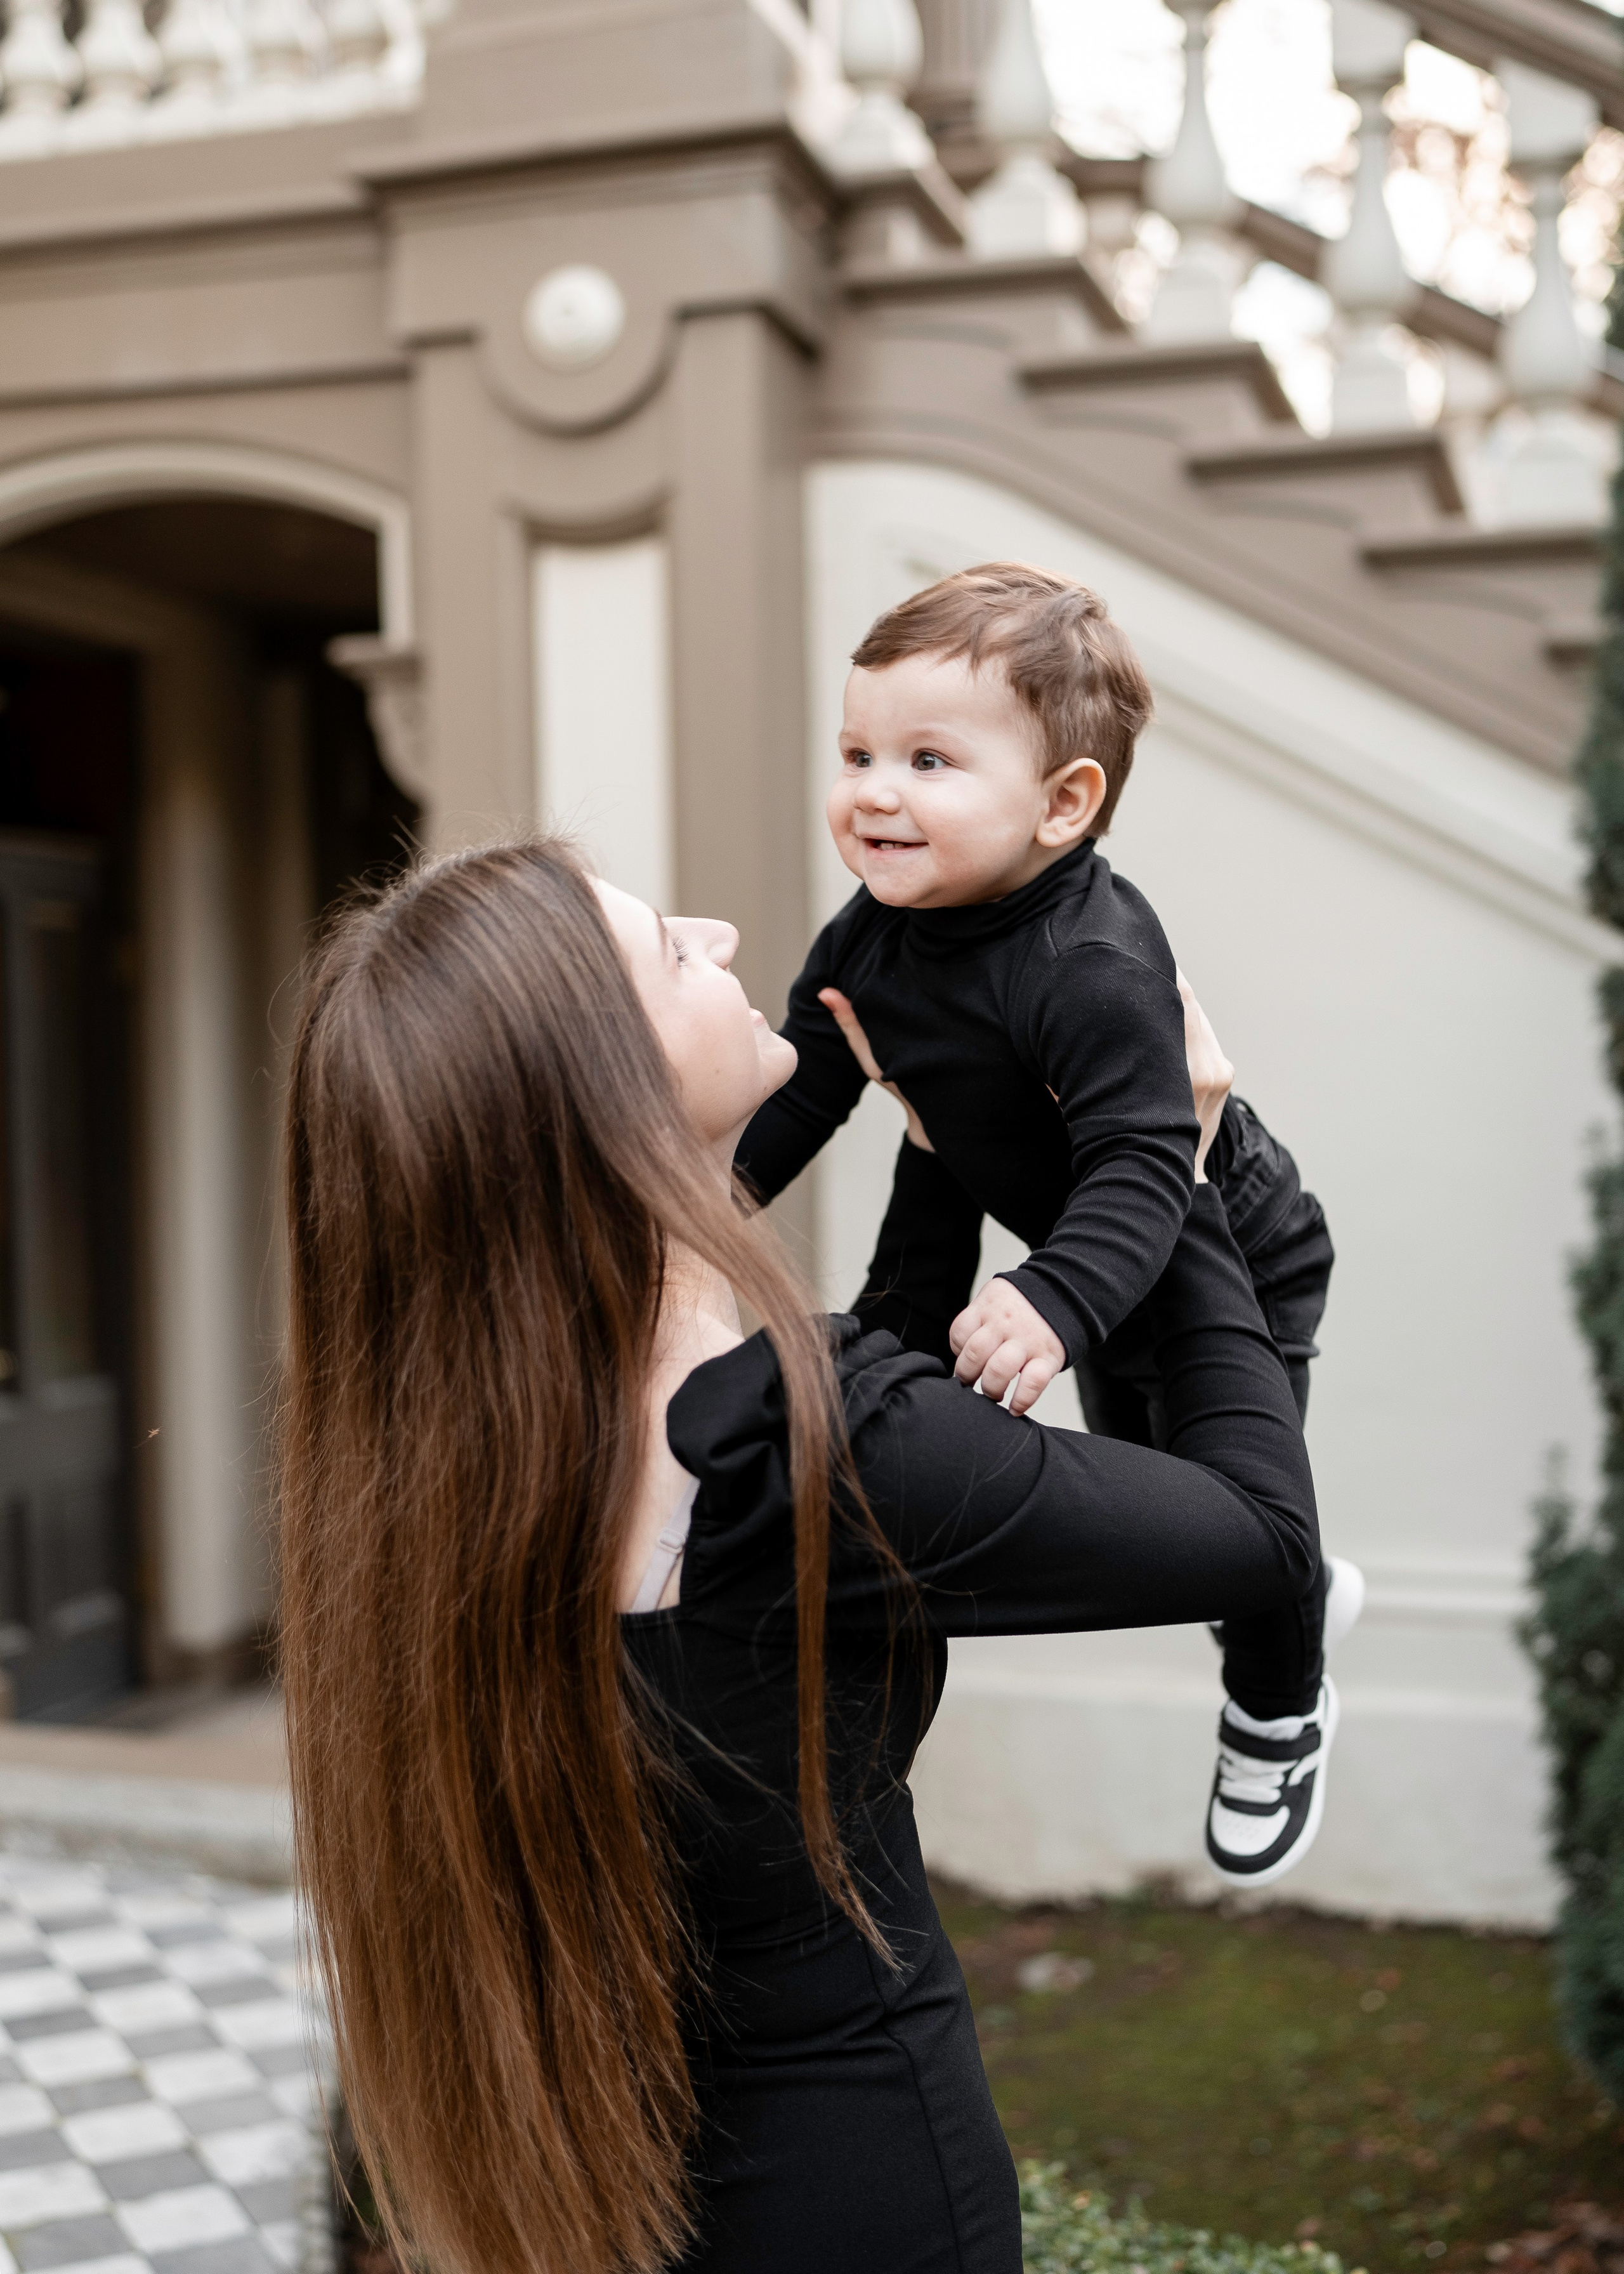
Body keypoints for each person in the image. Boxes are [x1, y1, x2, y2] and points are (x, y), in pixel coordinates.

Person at [280, 837, 1332, 2274]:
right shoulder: (806, 1456)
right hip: (862, 2193)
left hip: (619, 2192)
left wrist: (936, 1150)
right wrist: (1176, 1160)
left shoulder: (448, 1471)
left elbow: (855, 1392)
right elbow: (1259, 1537)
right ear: (609, 1096)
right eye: (666, 948)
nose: (715, 932)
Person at [735, 562, 1355, 1886]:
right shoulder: (867, 938)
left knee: (1238, 1520)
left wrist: (1051, 1300)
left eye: (927, 759)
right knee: (1153, 1498)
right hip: (1083, 1255)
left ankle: (1278, 1706)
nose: (872, 791)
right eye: (854, 751)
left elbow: (1144, 1162)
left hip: (1214, 1247)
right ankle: (1290, 1599)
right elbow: (804, 1089)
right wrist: (696, 1202)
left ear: (1062, 804)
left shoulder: (1087, 962)